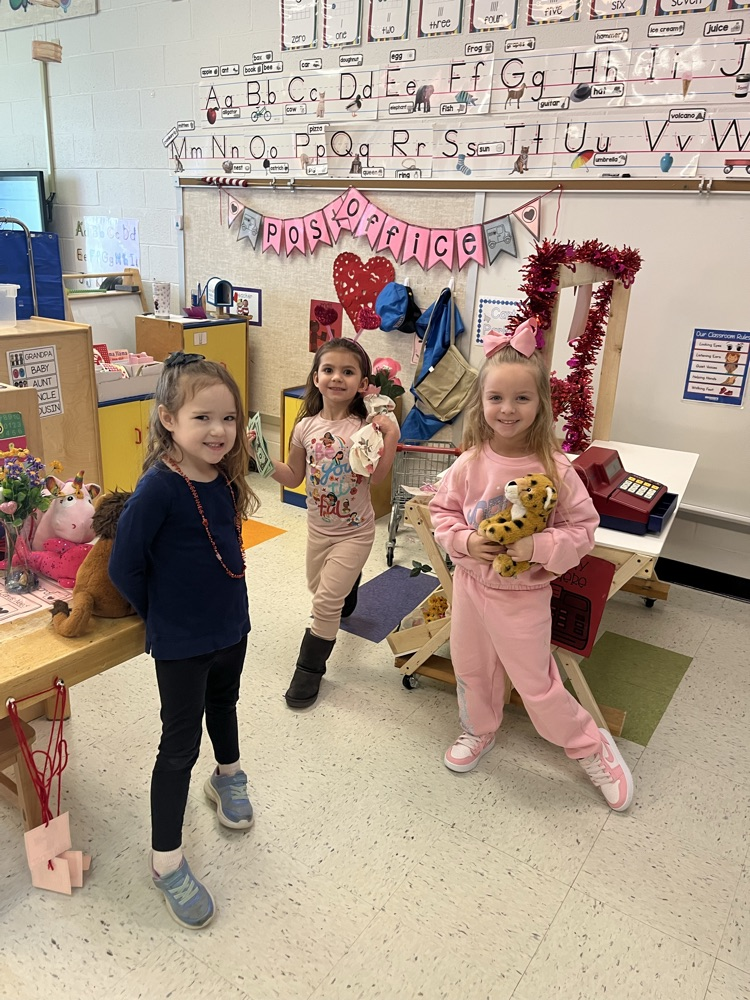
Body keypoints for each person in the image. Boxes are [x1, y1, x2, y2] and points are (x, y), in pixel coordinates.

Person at [429, 321, 634, 812]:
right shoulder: (469, 462)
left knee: (536, 683)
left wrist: (538, 548)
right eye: (496, 397)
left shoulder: (556, 468)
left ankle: (590, 745)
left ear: (541, 403)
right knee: (473, 668)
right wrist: (465, 539)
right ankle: (479, 730)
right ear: (481, 402)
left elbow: (584, 530)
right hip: (472, 586)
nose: (507, 409)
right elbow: (442, 512)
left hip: (522, 597)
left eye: (522, 398)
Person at [109, 352, 260, 929]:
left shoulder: (221, 478)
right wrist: (160, 615)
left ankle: (228, 778)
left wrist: (230, 614)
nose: (219, 431)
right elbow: (125, 567)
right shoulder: (158, 489)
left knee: (225, 705)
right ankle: (165, 860)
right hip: (180, 640)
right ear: (168, 418)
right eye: (203, 417)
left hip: (230, 625)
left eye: (228, 418)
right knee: (177, 746)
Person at [252, 338, 398, 709]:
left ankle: (309, 670)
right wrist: (263, 461)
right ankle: (349, 587)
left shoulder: (366, 426)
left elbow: (378, 479)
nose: (337, 378)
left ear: (362, 383)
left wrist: (391, 436)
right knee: (317, 586)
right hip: (318, 531)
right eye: (329, 370)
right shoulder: (304, 426)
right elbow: (293, 475)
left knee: (324, 602)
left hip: (356, 530)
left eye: (348, 372)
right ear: (316, 377)